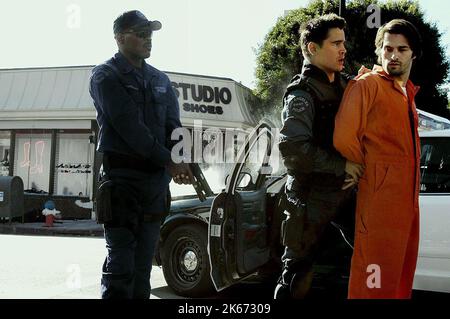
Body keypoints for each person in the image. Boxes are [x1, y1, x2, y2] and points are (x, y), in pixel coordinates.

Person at [89, 10, 193, 299]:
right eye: (141, 33)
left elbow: (175, 127)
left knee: (142, 269)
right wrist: (170, 161)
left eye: (150, 33)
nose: (149, 39)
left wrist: (182, 159)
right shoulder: (104, 75)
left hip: (154, 186)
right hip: (122, 182)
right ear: (120, 38)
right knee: (121, 266)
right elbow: (129, 127)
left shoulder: (161, 80)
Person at [275, 13, 364, 299]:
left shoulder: (347, 86)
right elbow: (294, 150)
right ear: (313, 48)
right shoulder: (301, 93)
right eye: (336, 43)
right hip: (310, 196)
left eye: (344, 43)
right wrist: (343, 166)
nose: (343, 50)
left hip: (345, 191)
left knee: (370, 255)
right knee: (296, 275)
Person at [333, 19, 422, 299]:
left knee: (399, 284)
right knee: (372, 287)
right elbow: (344, 137)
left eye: (402, 49)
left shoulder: (407, 95)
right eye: (388, 48)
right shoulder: (368, 84)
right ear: (379, 52)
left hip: (407, 206)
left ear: (413, 54)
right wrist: (368, 173)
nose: (393, 55)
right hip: (378, 205)